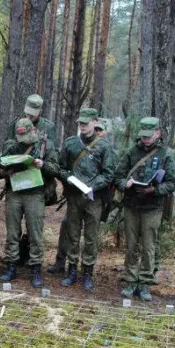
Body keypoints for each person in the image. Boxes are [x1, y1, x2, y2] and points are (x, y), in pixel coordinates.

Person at [113, 117, 175, 302]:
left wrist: (155, 190)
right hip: (132, 205)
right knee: (132, 245)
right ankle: (131, 281)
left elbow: (173, 183)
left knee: (149, 246)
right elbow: (117, 177)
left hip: (152, 207)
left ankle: (145, 283)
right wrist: (126, 184)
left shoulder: (166, 154)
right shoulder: (132, 152)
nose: (146, 140)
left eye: (149, 136)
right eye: (143, 136)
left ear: (158, 133)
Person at [56, 107, 116, 291]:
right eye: (80, 123)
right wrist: (69, 179)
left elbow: (109, 173)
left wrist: (93, 185)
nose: (82, 126)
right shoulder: (71, 143)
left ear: (95, 122)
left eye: (86, 123)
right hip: (74, 197)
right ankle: (72, 270)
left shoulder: (104, 147)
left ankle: (87, 273)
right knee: (72, 234)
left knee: (91, 237)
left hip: (94, 199)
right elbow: (61, 167)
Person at [0, 118, 59, 288]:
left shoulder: (46, 145)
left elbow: (56, 169)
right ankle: (11, 265)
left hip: (35, 193)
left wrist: (42, 164)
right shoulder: (10, 145)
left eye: (25, 136)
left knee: (35, 233)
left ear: (33, 131)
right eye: (19, 136)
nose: (22, 140)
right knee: (12, 232)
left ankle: (36, 268)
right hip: (14, 192)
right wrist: (5, 169)